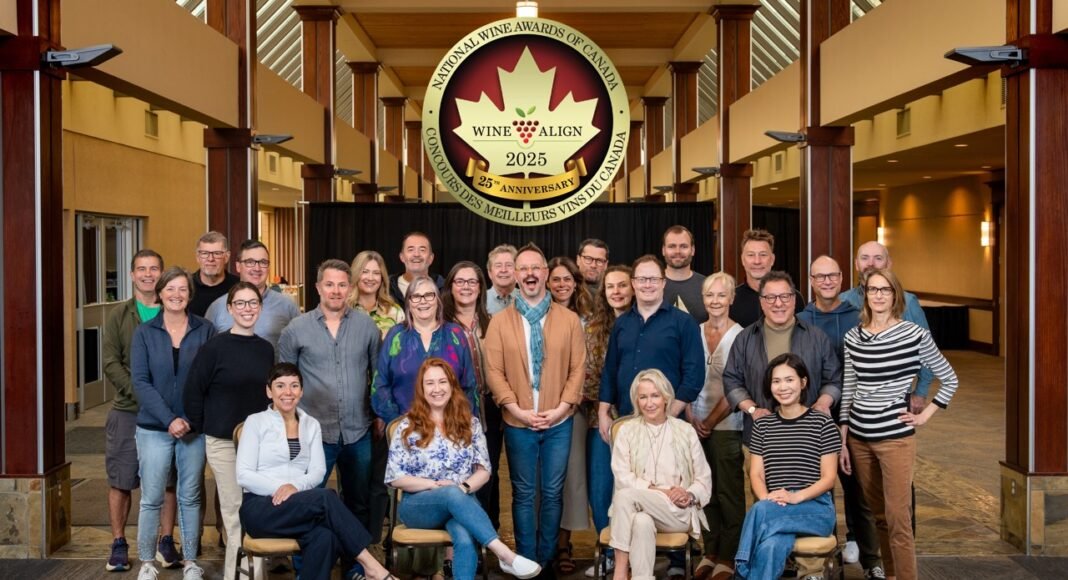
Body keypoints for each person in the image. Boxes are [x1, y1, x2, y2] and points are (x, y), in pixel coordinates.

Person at [840, 269, 960, 580]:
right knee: (878, 515)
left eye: (885, 290)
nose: (878, 295)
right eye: (872, 290)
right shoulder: (853, 336)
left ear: (896, 295)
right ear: (865, 295)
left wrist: (925, 414)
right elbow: (850, 388)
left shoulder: (914, 334)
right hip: (859, 439)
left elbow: (949, 378)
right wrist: (843, 436)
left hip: (895, 440)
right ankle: (890, 574)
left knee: (898, 519)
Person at [236, 363, 398, 580]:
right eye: (280, 386)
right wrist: (280, 488)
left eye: (294, 386)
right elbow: (243, 474)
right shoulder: (255, 422)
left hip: (296, 506)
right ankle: (371, 566)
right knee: (326, 497)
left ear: (301, 391)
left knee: (326, 537)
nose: (288, 392)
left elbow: (318, 471)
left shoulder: (311, 425)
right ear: (269, 391)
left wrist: (294, 488)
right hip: (260, 508)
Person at [598, 255, 705, 580]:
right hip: (627, 419)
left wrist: (665, 413)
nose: (646, 285)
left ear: (662, 283)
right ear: (634, 285)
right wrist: (604, 408)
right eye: (640, 279)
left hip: (667, 415)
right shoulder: (623, 324)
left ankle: (620, 569)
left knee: (631, 491)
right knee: (637, 510)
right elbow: (610, 368)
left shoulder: (681, 323)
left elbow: (695, 373)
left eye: (652, 279)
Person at [386, 358, 543, 580]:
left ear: (452, 385)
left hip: (462, 503)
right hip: (419, 506)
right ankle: (504, 554)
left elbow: (484, 471)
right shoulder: (407, 426)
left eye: (442, 382)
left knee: (464, 535)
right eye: (430, 383)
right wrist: (434, 485)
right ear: (421, 389)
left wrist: (463, 486)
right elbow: (395, 478)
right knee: (452, 492)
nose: (437, 389)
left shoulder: (471, 424)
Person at [484, 242, 586, 574]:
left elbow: (577, 368)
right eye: (523, 269)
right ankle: (526, 559)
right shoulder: (499, 322)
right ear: (514, 275)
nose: (529, 274)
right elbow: (494, 372)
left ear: (545, 273)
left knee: (554, 492)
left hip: (559, 421)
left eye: (535, 268)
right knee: (524, 493)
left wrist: (560, 410)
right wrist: (516, 410)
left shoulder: (569, 320)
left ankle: (546, 558)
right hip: (518, 422)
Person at [278, 259, 382, 573]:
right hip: (312, 434)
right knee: (307, 502)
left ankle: (355, 568)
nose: (335, 290)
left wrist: (378, 414)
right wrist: (289, 425)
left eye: (341, 284)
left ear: (349, 288)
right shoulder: (296, 329)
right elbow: (283, 383)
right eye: (329, 284)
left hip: (357, 430)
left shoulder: (366, 326)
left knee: (357, 503)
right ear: (318, 287)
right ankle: (305, 567)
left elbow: (378, 376)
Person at [798, 256, 883, 579]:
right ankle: (822, 560)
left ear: (842, 277)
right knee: (819, 491)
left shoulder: (859, 317)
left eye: (832, 276)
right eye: (820, 277)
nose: (827, 282)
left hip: (856, 417)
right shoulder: (801, 319)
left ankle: (872, 560)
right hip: (814, 417)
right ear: (811, 280)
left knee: (858, 491)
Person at [183, 282, 274, 580]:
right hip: (223, 442)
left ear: (260, 309)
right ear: (230, 308)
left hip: (259, 444)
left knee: (257, 509)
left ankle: (255, 571)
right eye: (241, 303)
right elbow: (193, 391)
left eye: (253, 304)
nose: (247, 309)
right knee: (234, 510)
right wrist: (204, 426)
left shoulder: (265, 349)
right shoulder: (214, 348)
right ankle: (236, 574)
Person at [130, 267, 215, 580]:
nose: (176, 295)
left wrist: (190, 420)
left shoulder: (206, 330)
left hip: (194, 429)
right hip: (154, 428)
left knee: (190, 496)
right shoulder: (144, 333)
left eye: (183, 289)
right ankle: (147, 563)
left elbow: (210, 379)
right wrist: (169, 419)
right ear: (160, 293)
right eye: (171, 289)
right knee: (151, 497)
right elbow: (140, 381)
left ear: (190, 295)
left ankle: (191, 560)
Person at [102, 249, 179, 572]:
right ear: (132, 274)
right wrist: (145, 395)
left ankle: (166, 540)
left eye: (154, 269)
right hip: (128, 410)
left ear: (161, 275)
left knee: (168, 480)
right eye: (141, 269)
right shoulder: (119, 316)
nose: (148, 274)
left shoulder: (176, 310)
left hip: (170, 414)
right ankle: (119, 542)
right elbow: (110, 362)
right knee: (122, 478)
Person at [733, 354, 841, 580]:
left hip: (816, 509)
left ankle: (740, 570)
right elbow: (756, 474)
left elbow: (829, 478)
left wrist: (795, 497)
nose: (783, 387)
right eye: (776, 381)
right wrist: (769, 499)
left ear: (803, 382)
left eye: (789, 380)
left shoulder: (823, 424)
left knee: (761, 512)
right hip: (774, 507)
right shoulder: (762, 426)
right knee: (771, 545)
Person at [608, 369, 712, 580]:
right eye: (643, 397)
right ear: (636, 400)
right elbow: (622, 477)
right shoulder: (627, 431)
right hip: (639, 509)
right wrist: (660, 491)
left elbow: (703, 478)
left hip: (677, 512)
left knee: (624, 496)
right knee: (641, 522)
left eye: (655, 395)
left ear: (666, 397)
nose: (649, 403)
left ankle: (620, 571)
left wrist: (688, 495)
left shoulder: (685, 430)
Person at [723, 271, 841, 444]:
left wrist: (823, 403)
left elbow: (834, 380)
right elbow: (731, 380)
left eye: (785, 296)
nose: (778, 303)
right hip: (760, 438)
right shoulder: (744, 339)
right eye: (770, 297)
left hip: (810, 438)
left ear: (794, 299)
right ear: (762, 302)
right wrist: (753, 410)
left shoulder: (817, 337)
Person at [688, 273, 745, 580]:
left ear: (732, 298)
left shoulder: (741, 335)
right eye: (710, 295)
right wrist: (689, 418)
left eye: (722, 295)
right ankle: (709, 550)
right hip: (693, 423)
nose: (715, 301)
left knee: (728, 492)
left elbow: (738, 387)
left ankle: (729, 555)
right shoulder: (694, 331)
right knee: (703, 491)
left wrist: (709, 422)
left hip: (727, 426)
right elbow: (684, 374)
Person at [442, 261, 504, 530]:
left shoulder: (493, 322)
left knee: (488, 472)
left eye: (472, 282)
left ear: (481, 288)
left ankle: (489, 534)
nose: (466, 287)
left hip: (489, 406)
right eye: (460, 281)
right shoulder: (441, 324)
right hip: (453, 409)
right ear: (451, 287)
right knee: (460, 474)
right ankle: (463, 536)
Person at [580, 264, 633, 578]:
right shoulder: (591, 326)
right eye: (610, 287)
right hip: (597, 418)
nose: (616, 292)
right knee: (600, 488)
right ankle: (610, 552)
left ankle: (634, 552)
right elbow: (588, 376)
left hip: (637, 417)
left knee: (630, 490)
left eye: (622, 286)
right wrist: (604, 408)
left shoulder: (643, 323)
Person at [840, 241, 934, 415]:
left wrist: (920, 393)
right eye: (865, 258)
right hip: (850, 399)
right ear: (856, 264)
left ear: (888, 263)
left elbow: (927, 353)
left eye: (878, 258)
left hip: (895, 401)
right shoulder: (843, 301)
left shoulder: (908, 302)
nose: (871, 264)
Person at [546, 256, 595, 574]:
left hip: (577, 408)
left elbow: (590, 364)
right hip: (541, 409)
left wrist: (573, 397)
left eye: (568, 279)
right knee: (545, 481)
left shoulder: (589, 318)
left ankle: (564, 544)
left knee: (570, 479)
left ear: (576, 282)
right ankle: (544, 544)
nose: (562, 284)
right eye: (556, 279)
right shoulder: (538, 314)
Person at [205, 240, 299, 348]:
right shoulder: (217, 307)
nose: (257, 268)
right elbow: (207, 351)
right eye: (250, 262)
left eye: (263, 262)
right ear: (238, 266)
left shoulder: (287, 305)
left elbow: (300, 345)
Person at [728, 229, 802, 328]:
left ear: (772, 259)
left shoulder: (792, 297)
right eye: (751, 255)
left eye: (763, 255)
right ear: (742, 260)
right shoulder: (731, 299)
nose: (757, 261)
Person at [348, 250, 406, 337]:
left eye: (376, 273)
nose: (370, 278)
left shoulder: (395, 312)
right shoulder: (343, 309)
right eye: (365, 272)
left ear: (382, 278)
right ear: (356, 274)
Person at [662, 225, 708, 323]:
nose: (677, 251)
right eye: (672, 246)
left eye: (683, 246)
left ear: (692, 250)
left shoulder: (708, 285)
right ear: (663, 250)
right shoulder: (650, 285)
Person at [188, 231, 239, 317]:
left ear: (227, 257)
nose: (211, 259)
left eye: (217, 253)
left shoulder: (238, 287)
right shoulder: (186, 286)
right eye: (205, 253)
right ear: (197, 257)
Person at [389, 231, 445, 305]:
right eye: (411, 250)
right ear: (402, 257)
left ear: (431, 258)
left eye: (422, 250)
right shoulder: (386, 287)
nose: (416, 254)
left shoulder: (445, 289)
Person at [486, 244, 518, 315]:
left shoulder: (526, 299)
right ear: (490, 273)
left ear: (517, 271)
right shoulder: (480, 300)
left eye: (509, 265)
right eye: (498, 266)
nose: (503, 270)